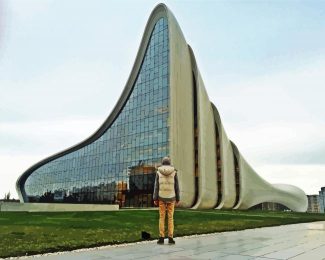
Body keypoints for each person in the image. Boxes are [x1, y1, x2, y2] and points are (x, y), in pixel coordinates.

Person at [153, 156, 180, 245]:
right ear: (169, 163)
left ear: (163, 163)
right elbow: (176, 186)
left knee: (161, 217)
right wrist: (178, 198)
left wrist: (155, 198)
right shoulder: (174, 172)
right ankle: (170, 238)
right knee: (170, 217)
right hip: (172, 197)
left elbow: (156, 186)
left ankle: (161, 237)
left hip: (161, 197)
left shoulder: (158, 172)